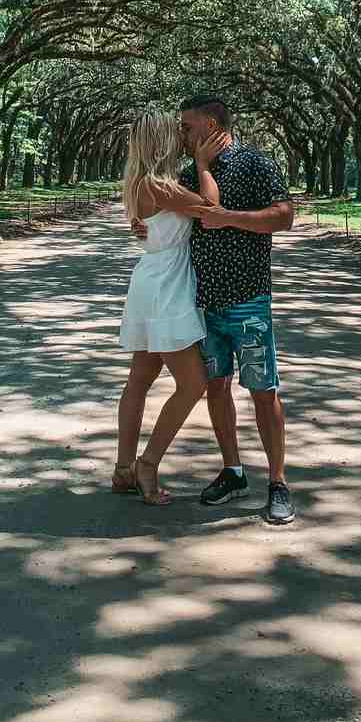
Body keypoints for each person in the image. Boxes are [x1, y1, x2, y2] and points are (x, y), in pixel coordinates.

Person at [132, 97, 297, 525]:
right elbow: (173, 217)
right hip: (201, 302)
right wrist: (144, 226)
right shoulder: (189, 174)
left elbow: (284, 217)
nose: (181, 135)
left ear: (209, 124)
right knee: (216, 387)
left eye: (186, 127)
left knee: (263, 391)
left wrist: (231, 218)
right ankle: (233, 470)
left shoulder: (256, 164)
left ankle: (277, 482)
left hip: (248, 298)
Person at [112, 111, 229, 505]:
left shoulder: (141, 182)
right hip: (168, 286)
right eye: (175, 131)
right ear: (162, 142)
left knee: (139, 381)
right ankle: (147, 463)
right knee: (193, 384)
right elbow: (212, 211)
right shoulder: (162, 185)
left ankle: (123, 469)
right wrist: (202, 164)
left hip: (151, 279)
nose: (183, 135)